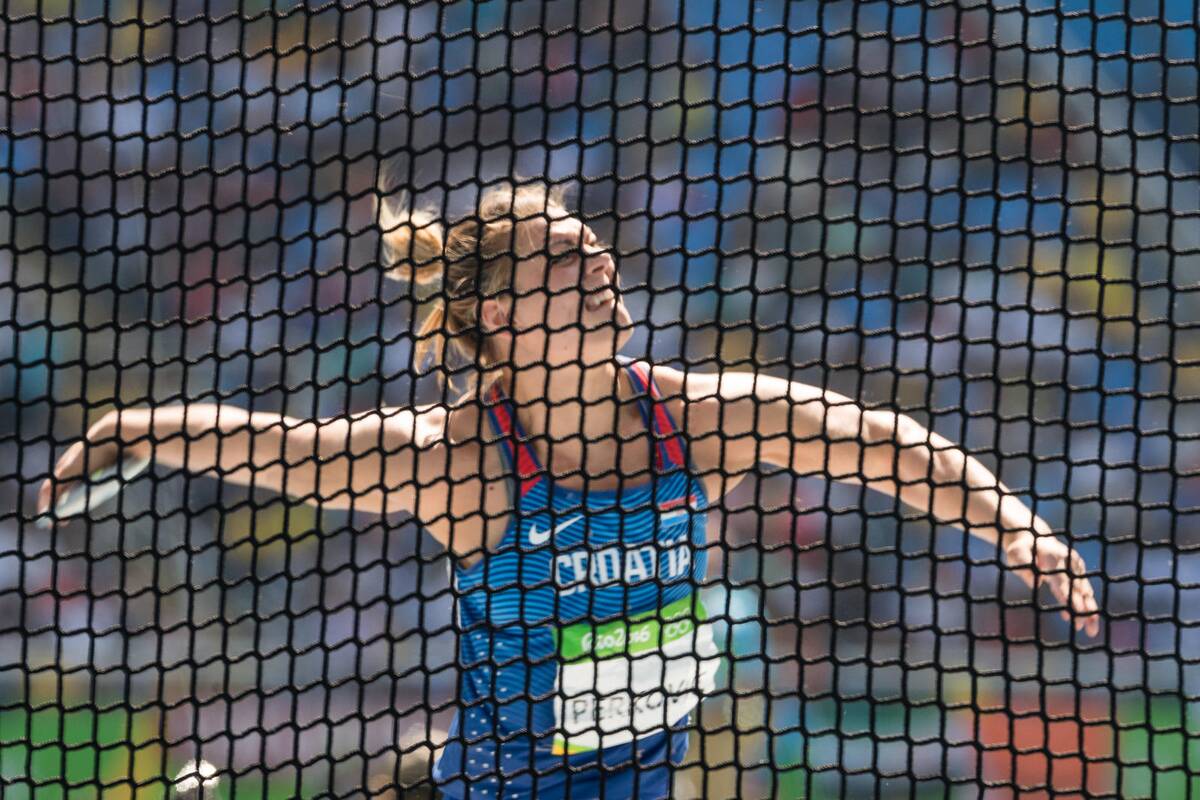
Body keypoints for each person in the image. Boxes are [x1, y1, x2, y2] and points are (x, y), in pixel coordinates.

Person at [37, 180, 1100, 800]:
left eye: (594, 249)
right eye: (561, 258)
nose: (598, 265)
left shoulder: (698, 420)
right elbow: (281, 449)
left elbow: (878, 443)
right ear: (496, 314)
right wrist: (137, 430)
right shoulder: (458, 462)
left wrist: (1014, 527)